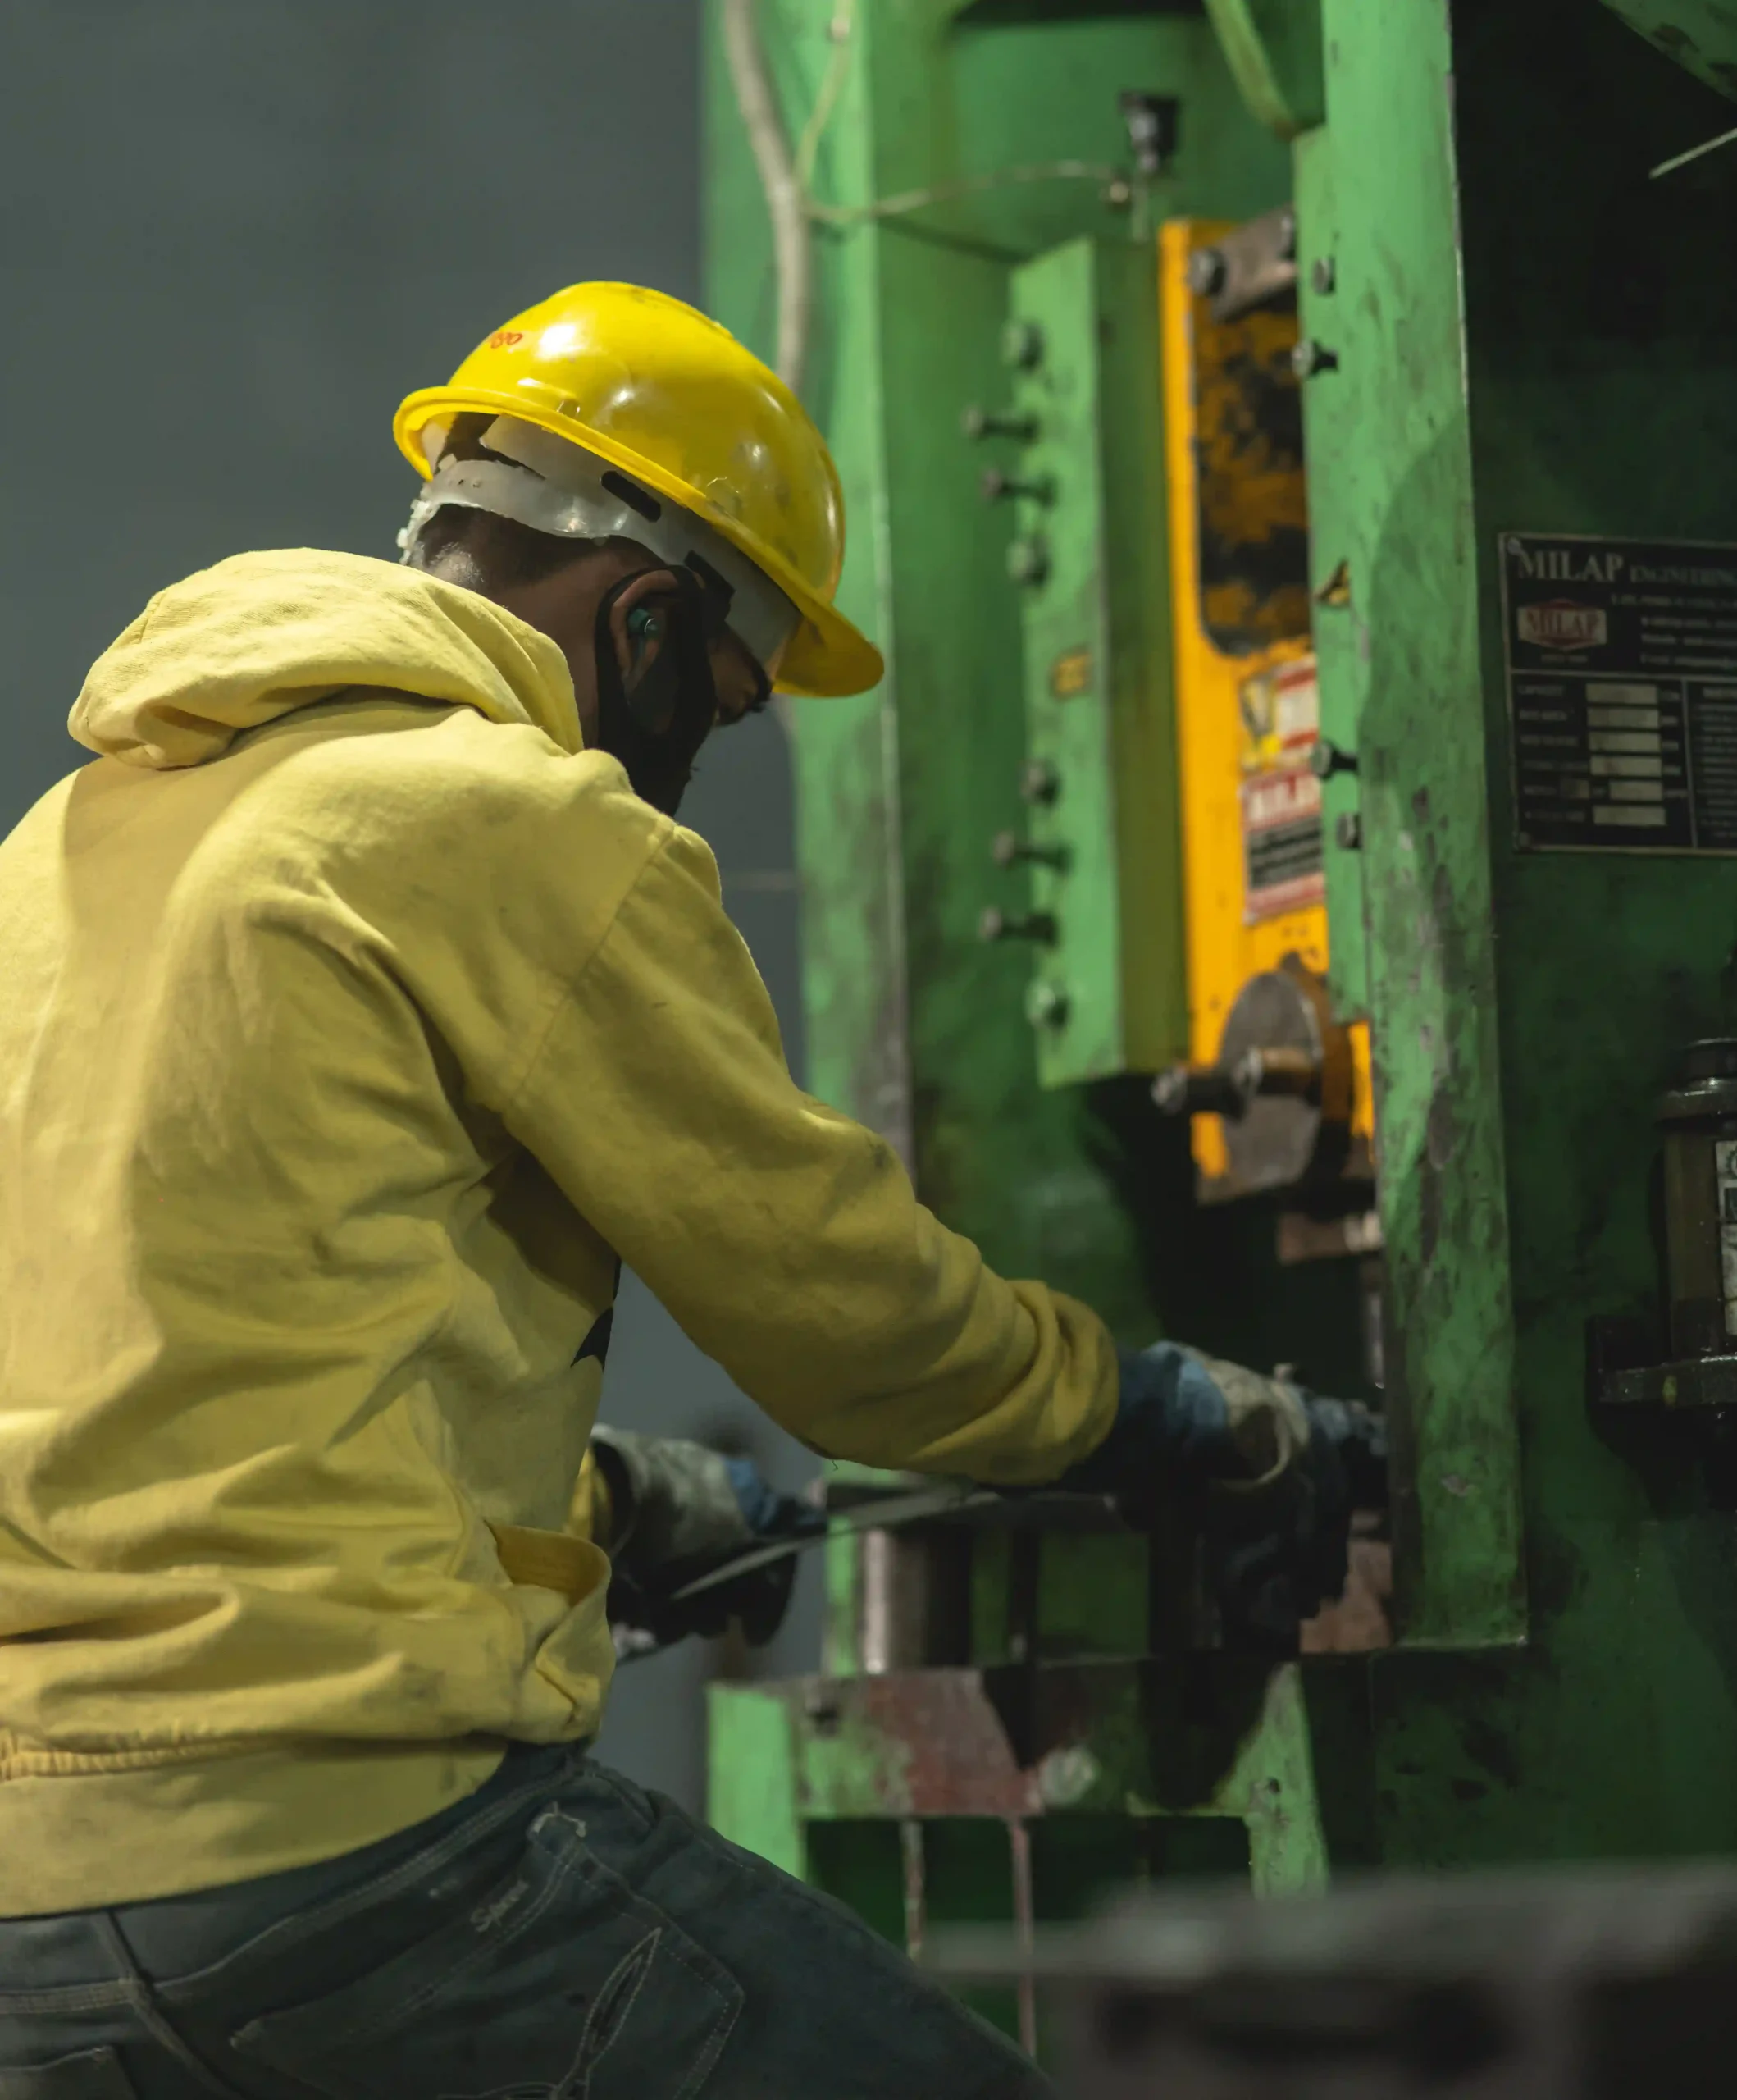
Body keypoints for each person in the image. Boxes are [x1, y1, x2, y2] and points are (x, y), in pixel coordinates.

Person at [0, 281, 1381, 2098]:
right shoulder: (509, 820)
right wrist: (1160, 1411)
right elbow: (853, 1321)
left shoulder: (63, 849)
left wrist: (596, 1502)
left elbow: (158, 1364)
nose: (689, 760)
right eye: (717, 702)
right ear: (645, 620)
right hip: (354, 1859)